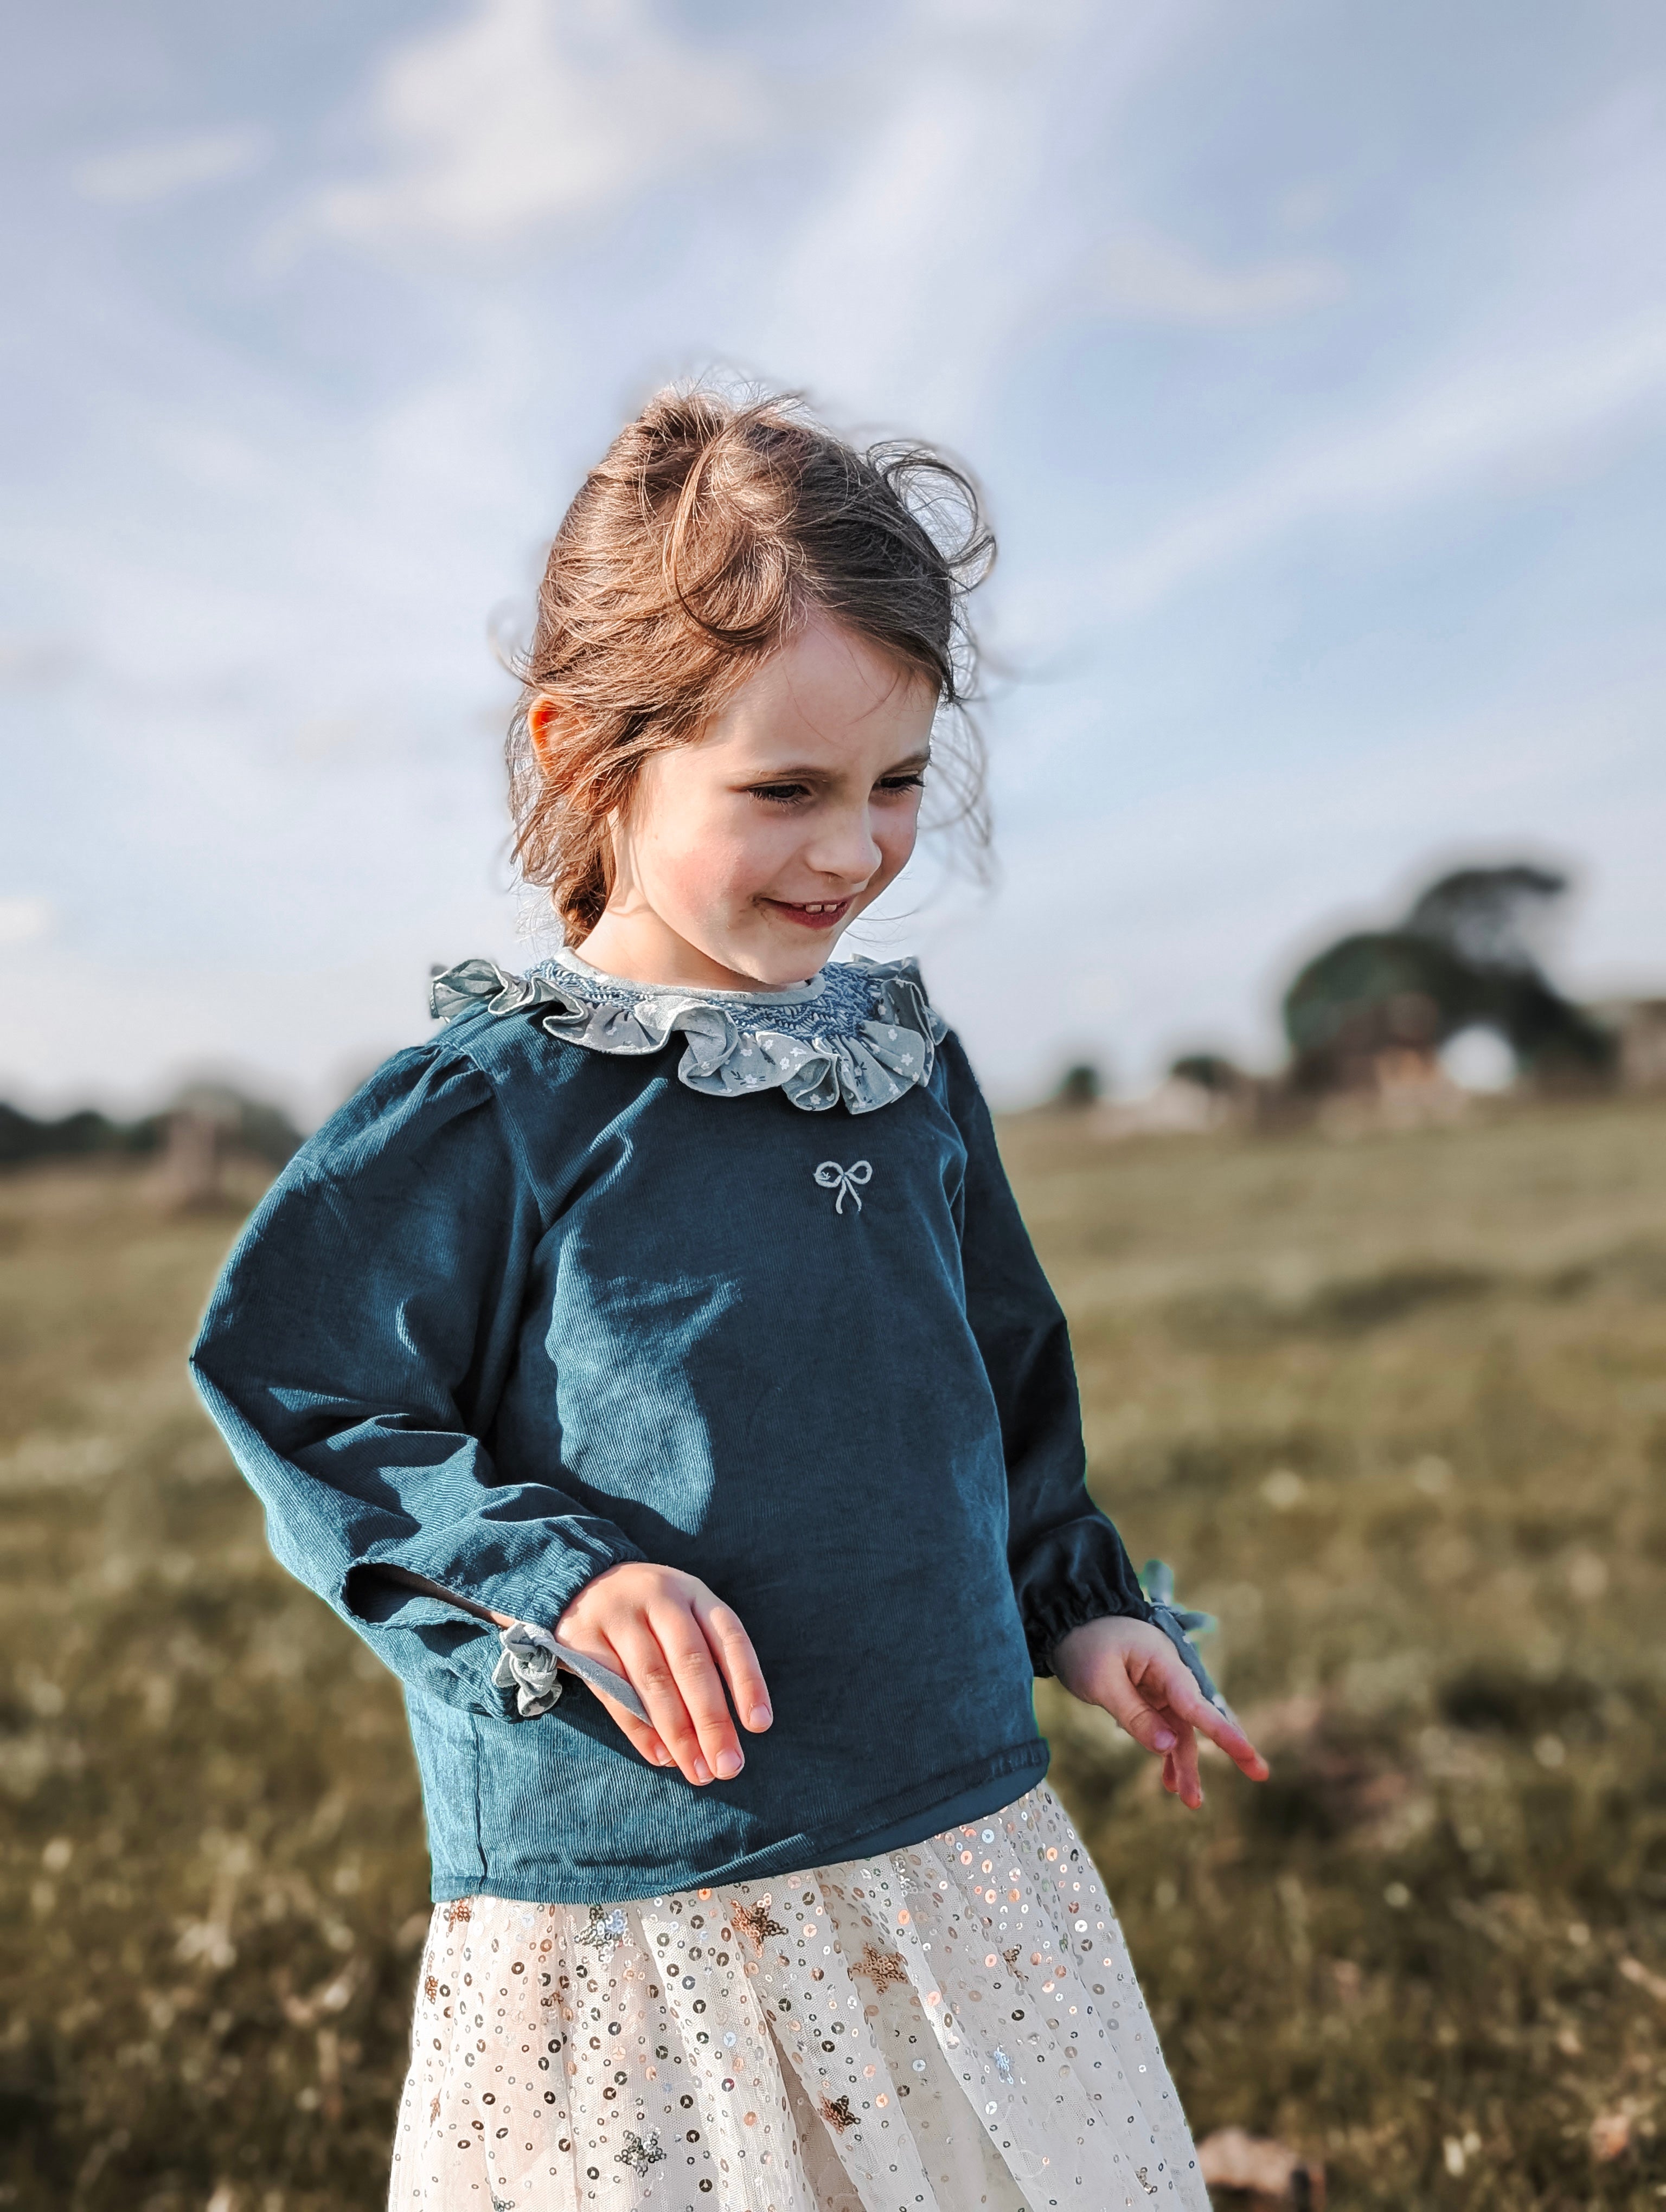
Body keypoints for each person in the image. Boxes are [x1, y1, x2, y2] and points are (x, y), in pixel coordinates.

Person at [191, 389, 1267, 2212]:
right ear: (589, 755)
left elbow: (998, 1395)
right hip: (646, 1887)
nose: (854, 852)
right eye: (786, 790)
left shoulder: (904, 1072)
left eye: (899, 782)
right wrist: (570, 1577)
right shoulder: (498, 1104)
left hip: (952, 1833)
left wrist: (1080, 1609)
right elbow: (303, 1388)